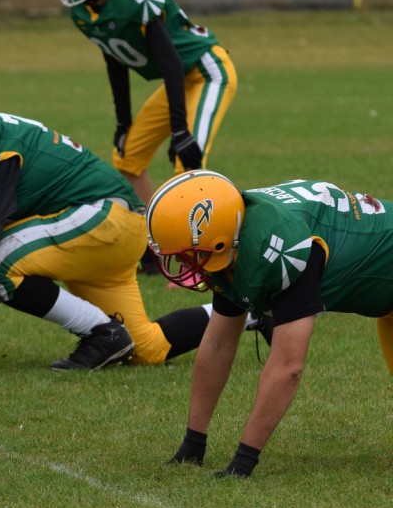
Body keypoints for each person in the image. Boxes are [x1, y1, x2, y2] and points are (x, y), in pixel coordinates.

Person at [0, 86, 257, 380]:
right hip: (111, 231)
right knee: (146, 348)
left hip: (103, 218)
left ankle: (102, 333)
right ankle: (251, 313)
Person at [148, 171, 393, 478]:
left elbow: (288, 365)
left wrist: (242, 462)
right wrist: (192, 445)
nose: (183, 264)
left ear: (219, 241)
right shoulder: (234, 234)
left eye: (186, 254)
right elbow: (219, 341)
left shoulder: (279, 243)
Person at [55, 0, 237, 272]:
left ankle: (202, 258)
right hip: (180, 79)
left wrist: (180, 129)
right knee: (128, 157)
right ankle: (157, 248)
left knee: (187, 163)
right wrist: (123, 121)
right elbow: (114, 59)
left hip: (208, 69)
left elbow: (169, 61)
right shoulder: (83, 11)